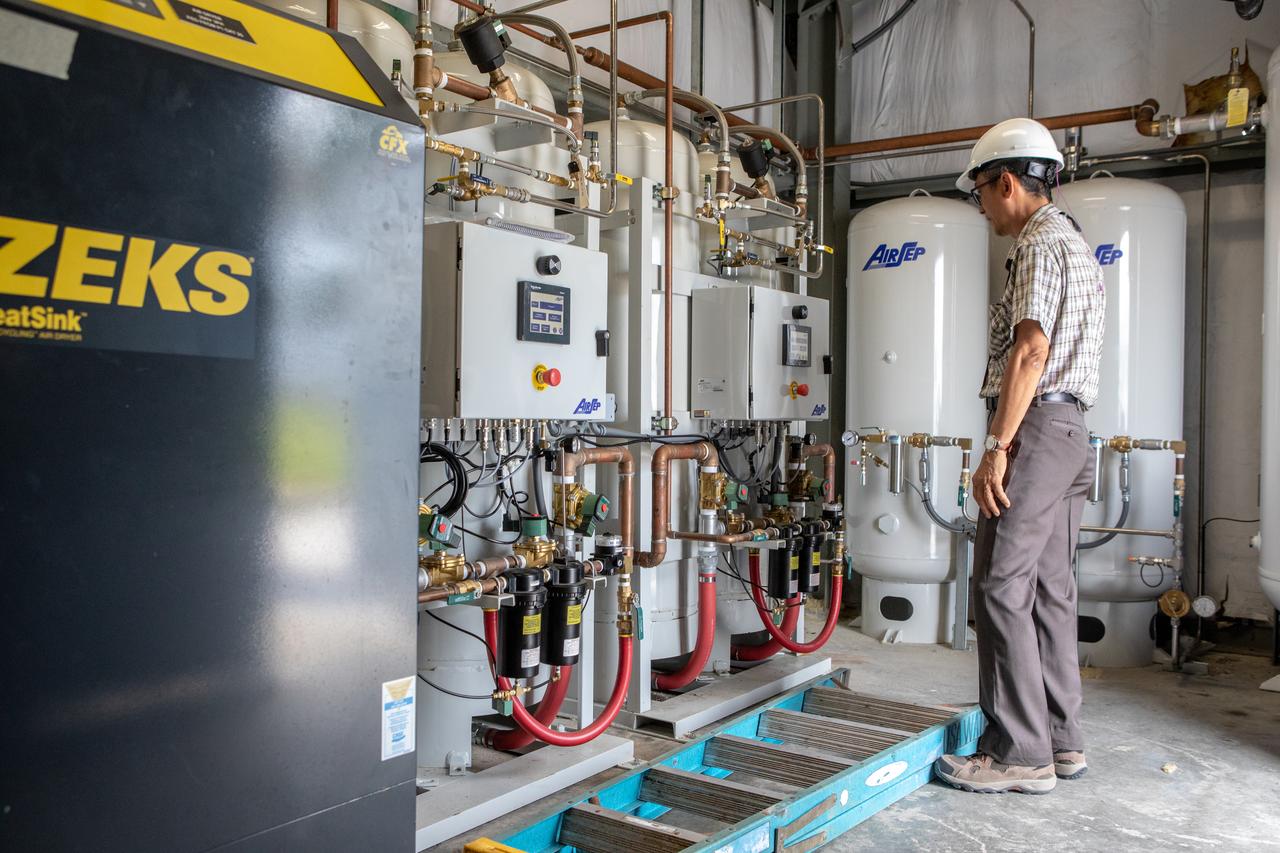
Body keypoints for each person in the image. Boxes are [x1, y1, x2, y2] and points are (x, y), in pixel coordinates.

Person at [933, 118, 1106, 795]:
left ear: (1008, 182)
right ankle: (1063, 740)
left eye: (981, 192)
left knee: (1001, 587)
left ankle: (1019, 751)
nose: (981, 207)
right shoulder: (1077, 243)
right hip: (1071, 431)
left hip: (1036, 428)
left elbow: (1031, 353)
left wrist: (997, 448)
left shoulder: (1038, 243)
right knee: (1051, 591)